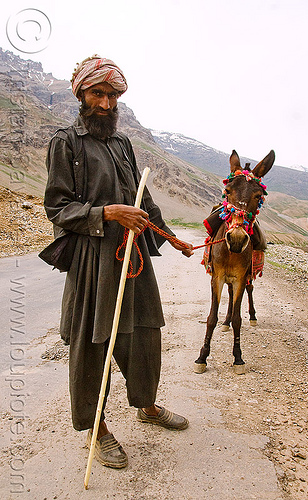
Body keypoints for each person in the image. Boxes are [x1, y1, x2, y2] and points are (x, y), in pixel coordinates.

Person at [43, 55, 193, 469]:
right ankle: (98, 428)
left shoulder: (123, 143)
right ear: (82, 94)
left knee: (145, 334)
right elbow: (57, 207)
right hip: (93, 260)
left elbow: (141, 198)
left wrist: (170, 236)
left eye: (113, 95)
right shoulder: (66, 143)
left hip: (134, 255)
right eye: (98, 93)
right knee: (93, 345)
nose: (107, 104)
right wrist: (107, 213)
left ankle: (146, 405)